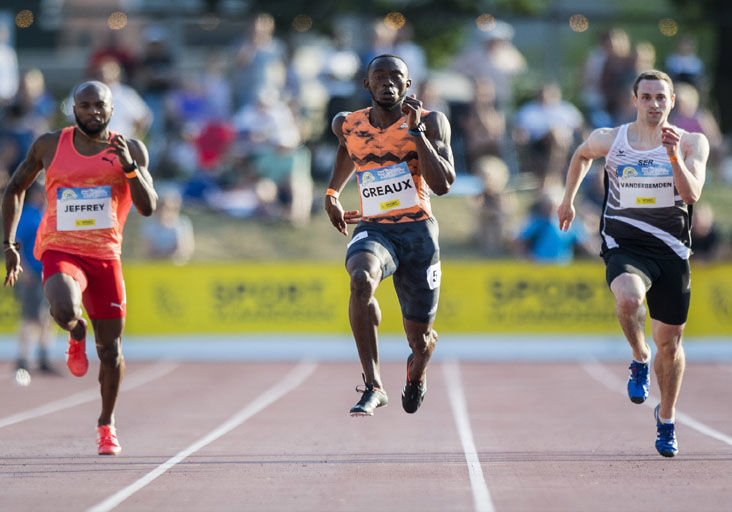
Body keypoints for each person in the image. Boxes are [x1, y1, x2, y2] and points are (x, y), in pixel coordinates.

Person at [557, 70, 709, 458]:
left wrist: (673, 153)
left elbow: (691, 195)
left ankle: (667, 418)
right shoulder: (613, 139)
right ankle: (639, 357)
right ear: (635, 99)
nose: (654, 104)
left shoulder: (692, 142)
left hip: (672, 250)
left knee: (671, 345)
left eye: (661, 97)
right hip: (625, 244)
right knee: (627, 297)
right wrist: (568, 199)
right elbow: (580, 154)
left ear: (672, 101)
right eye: (647, 97)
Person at [2, 81, 158, 455]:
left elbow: (148, 206)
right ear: (73, 109)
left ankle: (106, 423)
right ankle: (75, 331)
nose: (92, 112)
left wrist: (130, 169)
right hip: (60, 247)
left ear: (111, 109)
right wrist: (8, 244)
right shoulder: (50, 145)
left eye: (99, 105)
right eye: (84, 105)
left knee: (112, 352)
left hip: (105, 256)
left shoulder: (130, 148)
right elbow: (14, 188)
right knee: (64, 308)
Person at [324, 54, 455, 416]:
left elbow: (442, 185)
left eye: (395, 76)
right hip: (375, 227)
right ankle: (373, 384)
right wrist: (332, 193)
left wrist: (416, 133)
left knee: (420, 339)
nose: (387, 82)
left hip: (418, 234)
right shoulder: (346, 124)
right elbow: (346, 150)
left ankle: (417, 372)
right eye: (379, 77)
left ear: (408, 85)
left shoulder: (432, 121)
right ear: (366, 84)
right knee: (361, 278)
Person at [13, 182, 58, 386]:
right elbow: (17, 242)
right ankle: (24, 357)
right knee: (30, 317)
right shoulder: (28, 215)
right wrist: (24, 268)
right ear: (36, 194)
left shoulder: (42, 214)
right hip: (33, 274)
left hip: (46, 274)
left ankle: (42, 356)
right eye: (42, 193)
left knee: (45, 317)